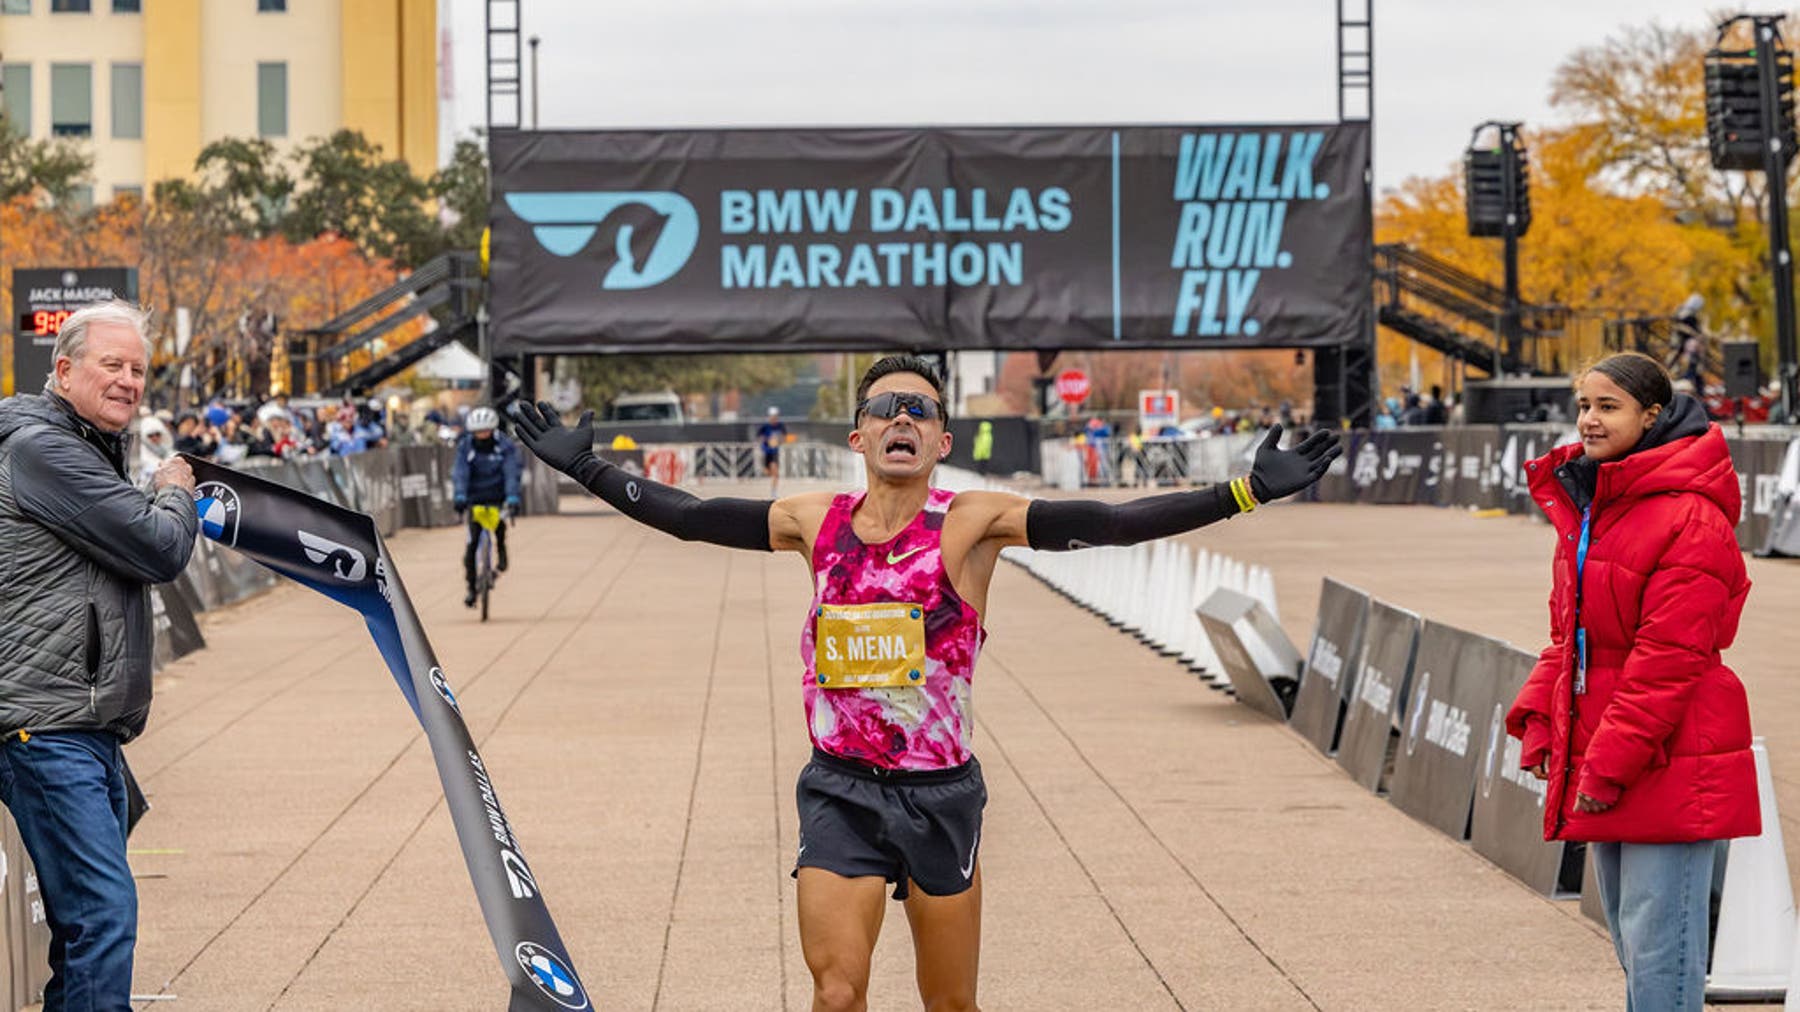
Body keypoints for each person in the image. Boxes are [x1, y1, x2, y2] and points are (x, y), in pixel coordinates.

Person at [509, 353, 1339, 1011]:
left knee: (949, 1001)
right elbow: (691, 518)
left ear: (943, 442)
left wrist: (1245, 491)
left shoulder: (973, 523)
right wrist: (584, 466)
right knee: (836, 993)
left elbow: (1111, 524)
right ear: (857, 438)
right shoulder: (811, 521)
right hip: (840, 791)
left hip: (941, 798)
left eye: (921, 411)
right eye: (883, 409)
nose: (901, 418)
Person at [1506, 351, 1758, 1012]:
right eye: (1583, 405)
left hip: (1670, 754)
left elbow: (1667, 660)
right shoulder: (1601, 506)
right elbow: (1578, 635)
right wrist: (1542, 717)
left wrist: (1607, 763)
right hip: (1616, 749)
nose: (1588, 420)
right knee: (1632, 943)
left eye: (1607, 406)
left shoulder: (1690, 518)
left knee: (1662, 957)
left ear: (1651, 416)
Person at [0, 300, 198, 1011]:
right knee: (103, 917)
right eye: (110, 364)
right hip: (47, 726)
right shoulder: (42, 450)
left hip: (87, 726)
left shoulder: (85, 448)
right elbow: (159, 547)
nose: (128, 381)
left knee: (87, 925)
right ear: (63, 370)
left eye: (139, 369)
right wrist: (177, 493)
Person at [452, 405, 522, 607]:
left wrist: (512, 497)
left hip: (498, 497)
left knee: (499, 528)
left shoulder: (505, 446)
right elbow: (460, 471)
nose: (482, 435)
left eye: (486, 431)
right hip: (474, 498)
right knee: (472, 544)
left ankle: (501, 551)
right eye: (478, 432)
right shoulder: (466, 446)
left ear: (493, 429)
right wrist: (459, 495)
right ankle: (471, 589)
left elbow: (511, 472)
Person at [757, 405, 788, 496]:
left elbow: (784, 437)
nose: (774, 418)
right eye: (772, 416)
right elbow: (759, 437)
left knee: (775, 473)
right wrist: (766, 440)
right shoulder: (765, 427)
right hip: (766, 452)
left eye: (775, 417)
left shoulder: (780, 426)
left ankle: (773, 491)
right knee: (768, 472)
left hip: (775, 452)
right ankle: (766, 470)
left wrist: (778, 440)